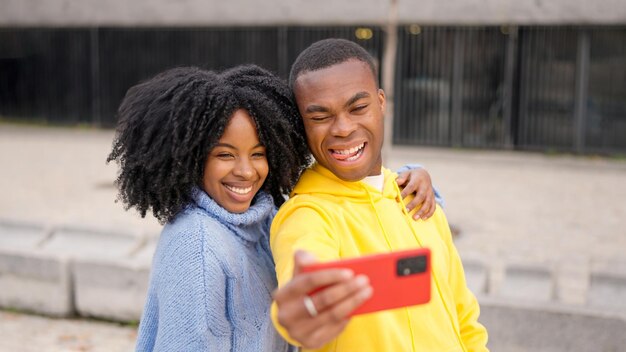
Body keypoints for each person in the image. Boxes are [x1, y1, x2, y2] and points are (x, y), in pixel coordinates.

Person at [107, 64, 439, 351]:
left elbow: (344, 194)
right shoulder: (197, 245)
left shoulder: (262, 217)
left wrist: (413, 177)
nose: (246, 171)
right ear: (191, 158)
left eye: (259, 153)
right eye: (225, 155)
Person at [270, 38, 489, 352]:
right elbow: (303, 278)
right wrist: (302, 312)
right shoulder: (306, 216)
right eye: (319, 117)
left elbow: (465, 317)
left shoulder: (419, 199)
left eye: (358, 107)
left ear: (382, 102)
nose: (343, 128)